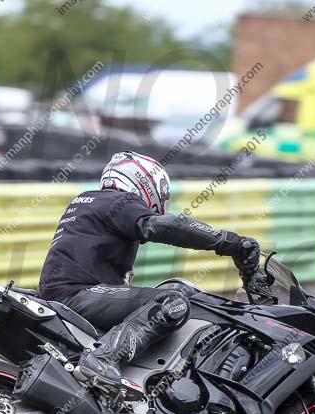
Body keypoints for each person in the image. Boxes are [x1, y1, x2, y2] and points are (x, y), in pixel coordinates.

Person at [38, 151, 263, 388]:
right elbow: (164, 226)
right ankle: (103, 359)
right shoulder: (117, 201)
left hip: (69, 295)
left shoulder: (92, 201)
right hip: (78, 295)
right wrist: (229, 242)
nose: (160, 202)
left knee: (178, 289)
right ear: (143, 180)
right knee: (171, 302)